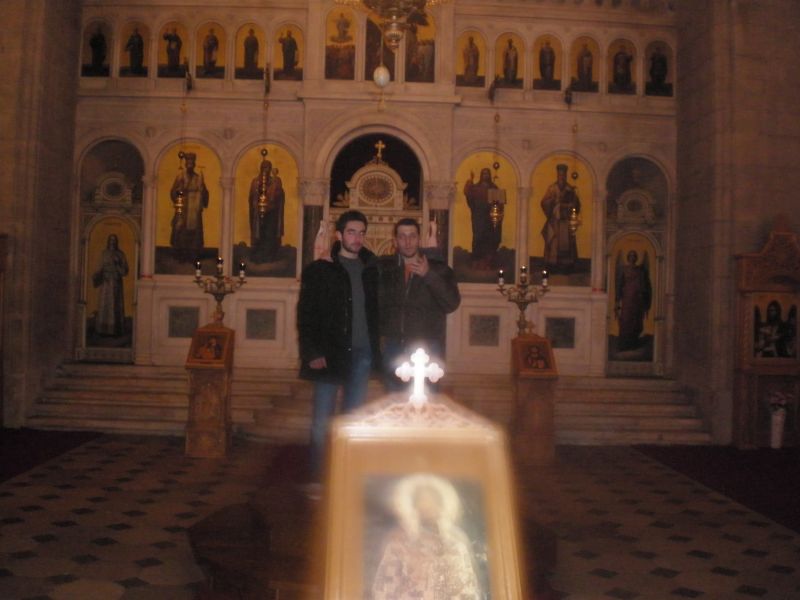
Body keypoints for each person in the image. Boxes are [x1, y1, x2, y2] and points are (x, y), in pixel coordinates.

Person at [297, 210, 379, 482]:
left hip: (362, 354)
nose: (357, 238)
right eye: (352, 232)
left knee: (353, 421)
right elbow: (306, 314)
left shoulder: (371, 269)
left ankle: (345, 480)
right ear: (339, 235)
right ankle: (319, 478)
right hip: (329, 353)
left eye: (361, 233)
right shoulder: (320, 269)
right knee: (322, 421)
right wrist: (312, 352)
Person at [378, 219, 460, 389]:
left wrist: (428, 274)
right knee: (395, 400)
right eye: (402, 237)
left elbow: (451, 303)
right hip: (394, 346)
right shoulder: (385, 270)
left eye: (412, 236)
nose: (407, 242)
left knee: (427, 400)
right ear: (395, 241)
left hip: (427, 346)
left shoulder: (439, 269)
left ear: (419, 239)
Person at [372, 474, 481, 599]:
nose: (427, 508)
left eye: (431, 503)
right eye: (421, 503)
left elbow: (467, 590)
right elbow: (384, 589)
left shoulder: (455, 545)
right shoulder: (398, 545)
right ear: (413, 508)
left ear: (441, 506)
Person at [540, 164, 581, 270]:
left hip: (566, 220)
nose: (562, 177)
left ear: (566, 175)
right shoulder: (552, 188)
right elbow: (544, 202)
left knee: (567, 242)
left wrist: (571, 205)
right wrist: (553, 202)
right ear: (557, 175)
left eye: (563, 175)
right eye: (560, 175)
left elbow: (576, 204)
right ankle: (552, 264)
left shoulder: (570, 189)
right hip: (555, 221)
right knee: (554, 241)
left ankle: (566, 265)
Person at [169, 152, 209, 255]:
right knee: (180, 228)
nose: (190, 164)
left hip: (194, 207)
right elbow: (173, 192)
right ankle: (180, 252)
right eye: (188, 162)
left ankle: (193, 252)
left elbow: (204, 192)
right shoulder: (180, 176)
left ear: (194, 164)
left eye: (192, 162)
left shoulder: (198, 178)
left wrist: (202, 190)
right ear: (186, 164)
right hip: (183, 206)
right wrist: (179, 192)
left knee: (195, 231)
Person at [463, 167, 502, 269]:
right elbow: (468, 194)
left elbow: (499, 206)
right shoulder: (476, 188)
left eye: (487, 173)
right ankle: (476, 262)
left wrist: (496, 213)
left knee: (489, 239)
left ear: (489, 175)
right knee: (478, 238)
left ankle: (488, 263)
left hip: (489, 218)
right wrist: (470, 180)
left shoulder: (494, 188)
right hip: (478, 217)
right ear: (481, 175)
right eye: (484, 173)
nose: (485, 175)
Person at [248, 157, 285, 262]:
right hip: (258, 213)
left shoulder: (275, 181)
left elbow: (279, 196)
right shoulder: (256, 182)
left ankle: (269, 256)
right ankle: (258, 255)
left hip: (272, 213)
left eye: (268, 167)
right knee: (259, 234)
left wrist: (276, 190)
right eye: (264, 167)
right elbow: (252, 197)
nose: (266, 170)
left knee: (270, 234)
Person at [614, 250, 652, 351]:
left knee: (636, 320)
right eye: (630, 256)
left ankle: (634, 343)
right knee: (626, 320)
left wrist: (645, 300)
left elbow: (645, 285)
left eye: (634, 256)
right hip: (627, 299)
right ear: (628, 258)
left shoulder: (640, 270)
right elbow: (619, 285)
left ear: (636, 258)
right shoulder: (624, 269)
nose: (632, 257)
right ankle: (624, 344)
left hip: (637, 300)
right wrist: (617, 301)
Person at [93, 234, 129, 336]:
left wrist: (117, 265)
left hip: (116, 284)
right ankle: (102, 330)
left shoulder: (120, 254)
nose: (112, 242)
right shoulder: (104, 253)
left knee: (115, 305)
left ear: (116, 242)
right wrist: (98, 275)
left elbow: (125, 271)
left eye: (114, 240)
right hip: (105, 283)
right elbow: (99, 268)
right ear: (108, 241)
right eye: (111, 240)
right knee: (104, 305)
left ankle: (115, 330)